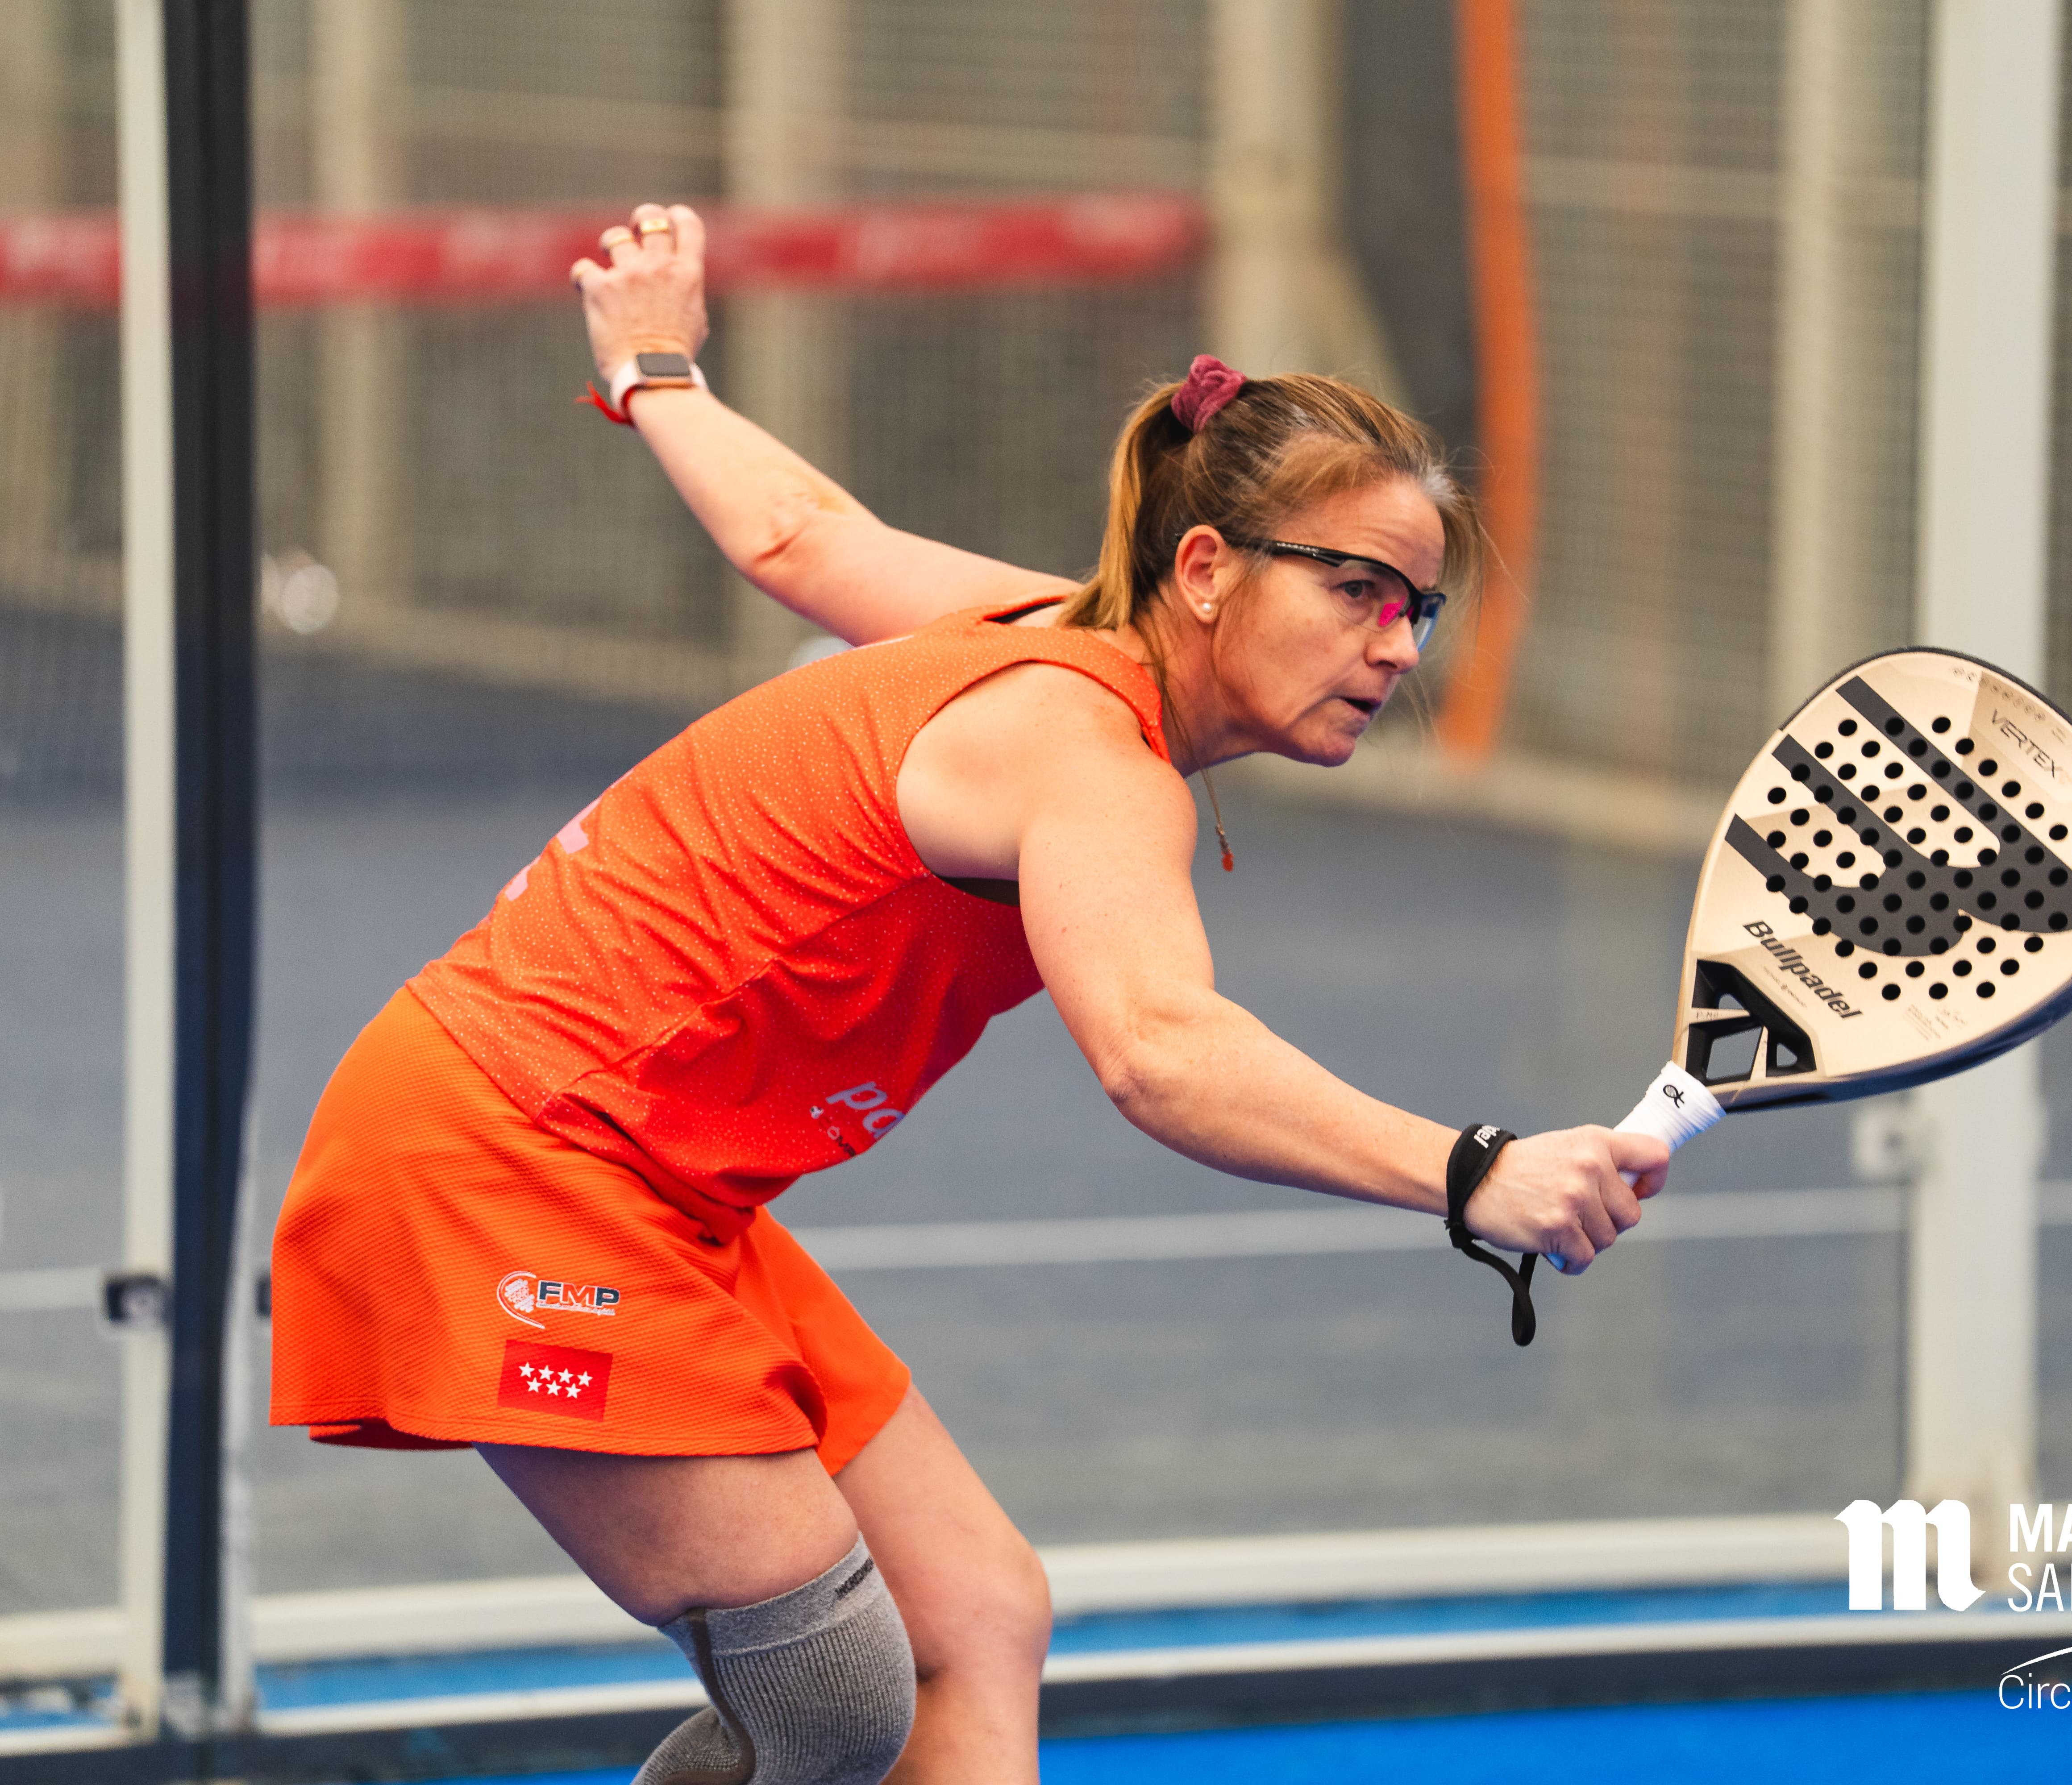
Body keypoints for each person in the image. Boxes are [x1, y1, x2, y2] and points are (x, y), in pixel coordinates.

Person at [268, 201, 1670, 1785]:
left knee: (978, 1621)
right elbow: (1160, 1053)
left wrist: (656, 367)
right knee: (834, 1698)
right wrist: (1476, 1172)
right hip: (503, 1156)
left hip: (651, 1181)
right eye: (1357, 588)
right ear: (1206, 568)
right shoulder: (1089, 754)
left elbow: (798, 536)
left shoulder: (1035, 626)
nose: (1399, 644)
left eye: (1418, 604)